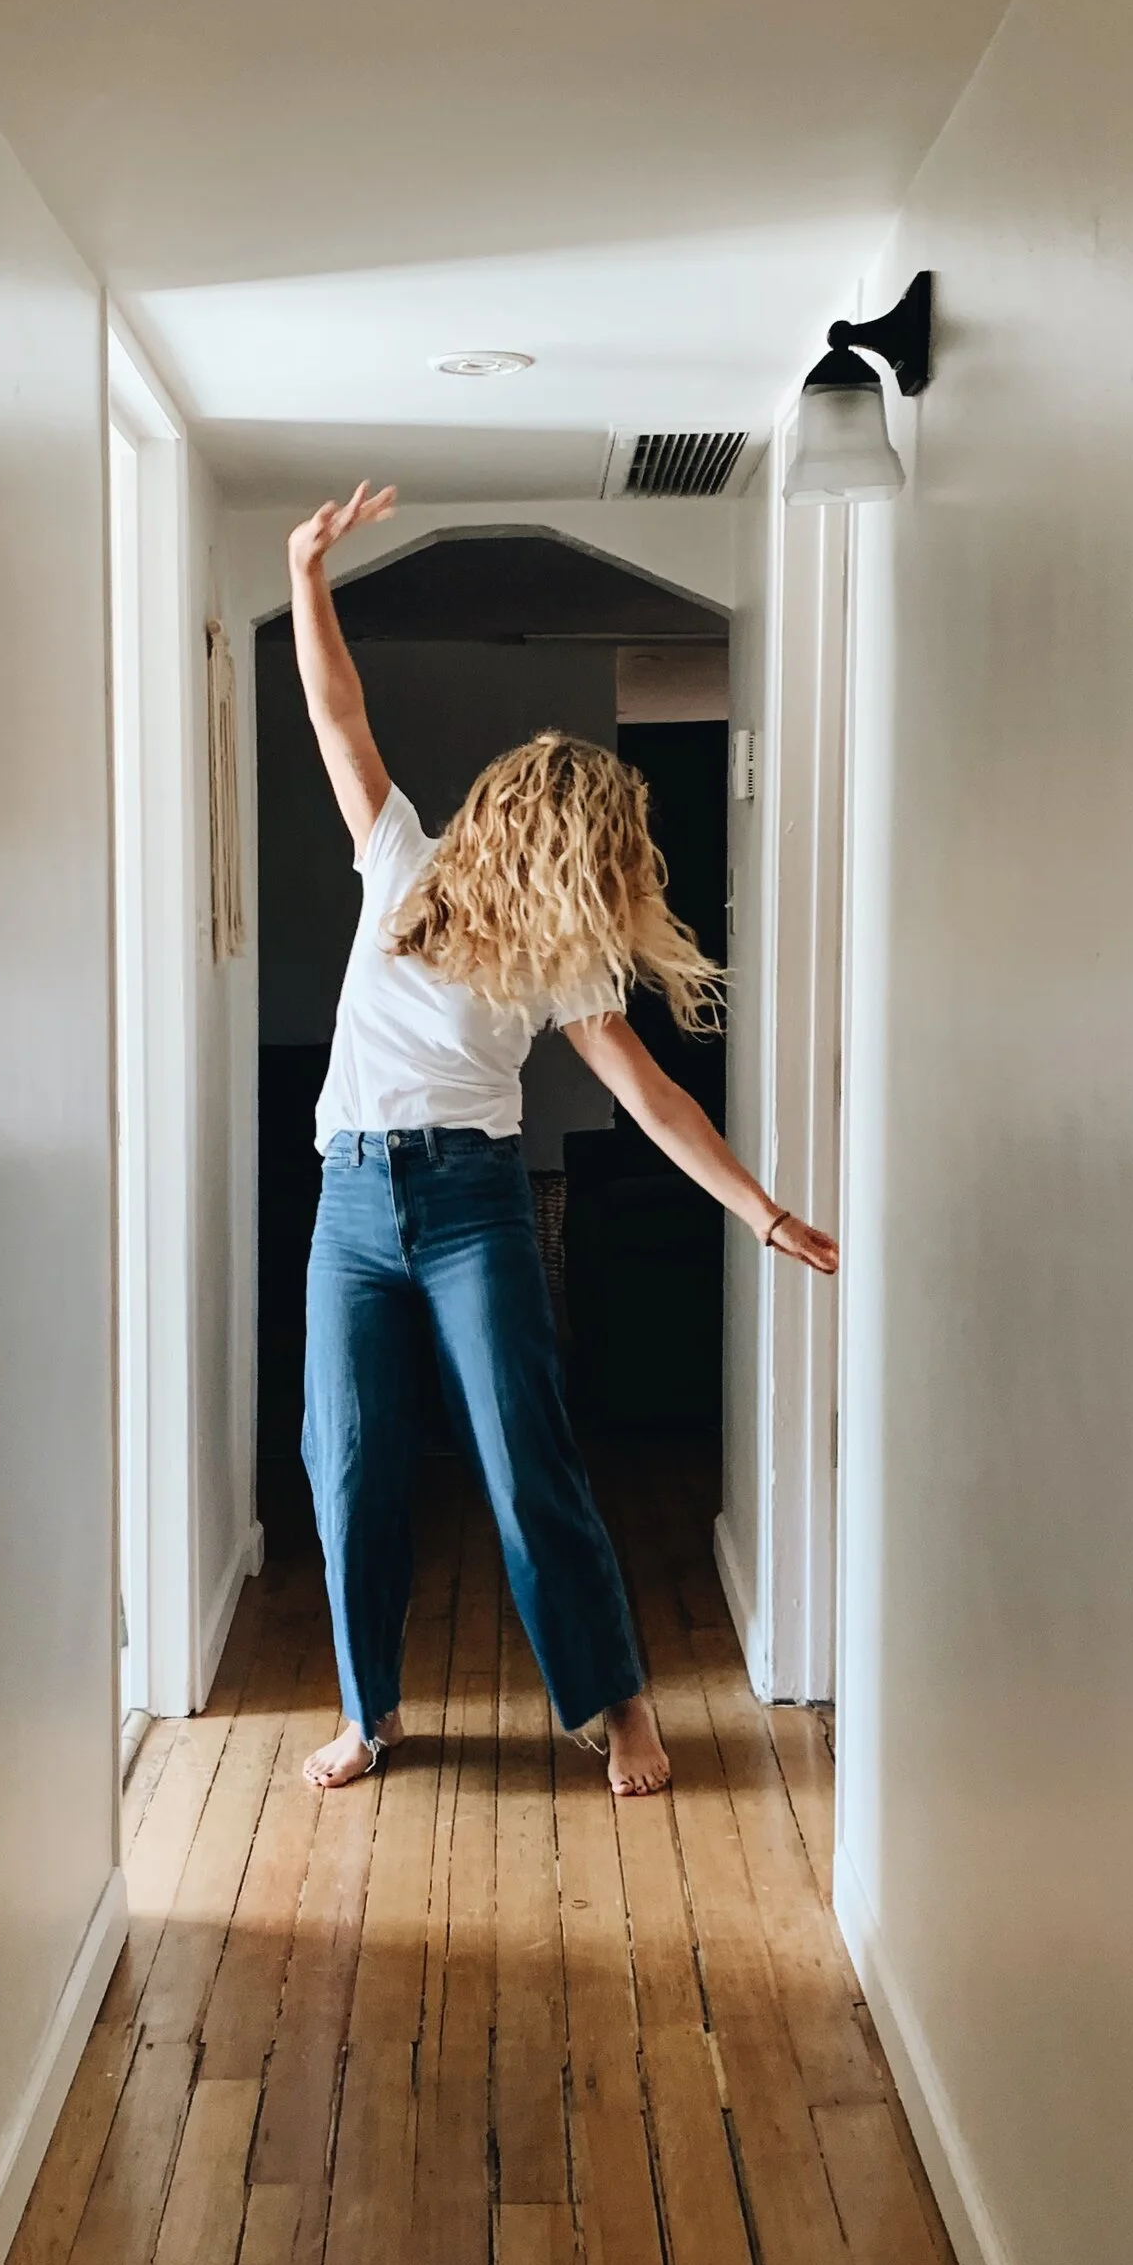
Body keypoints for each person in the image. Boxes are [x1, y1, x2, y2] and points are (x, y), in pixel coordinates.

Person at [291, 482, 839, 1798]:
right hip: (351, 1203)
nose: (593, 877)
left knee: (528, 1462)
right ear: (527, 833)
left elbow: (653, 1097)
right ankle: (368, 1713)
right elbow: (337, 714)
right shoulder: (400, 862)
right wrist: (304, 572)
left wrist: (762, 1212)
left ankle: (615, 1704)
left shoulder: (562, 960)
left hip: (474, 1207)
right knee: (347, 1466)